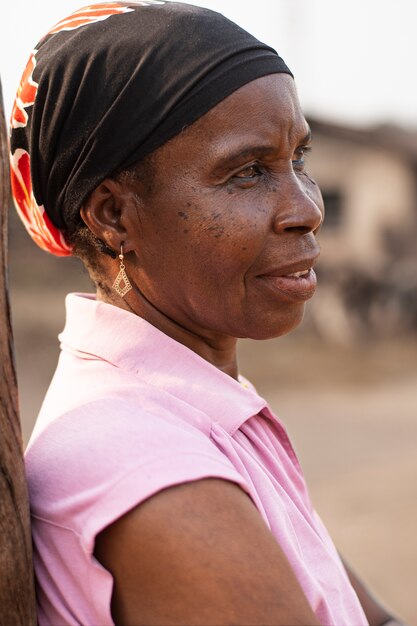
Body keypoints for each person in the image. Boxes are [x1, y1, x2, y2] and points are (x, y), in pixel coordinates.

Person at [10, 2, 405, 625]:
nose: (306, 207)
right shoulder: (143, 460)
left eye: (297, 160)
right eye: (248, 173)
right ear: (113, 216)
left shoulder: (195, 407)